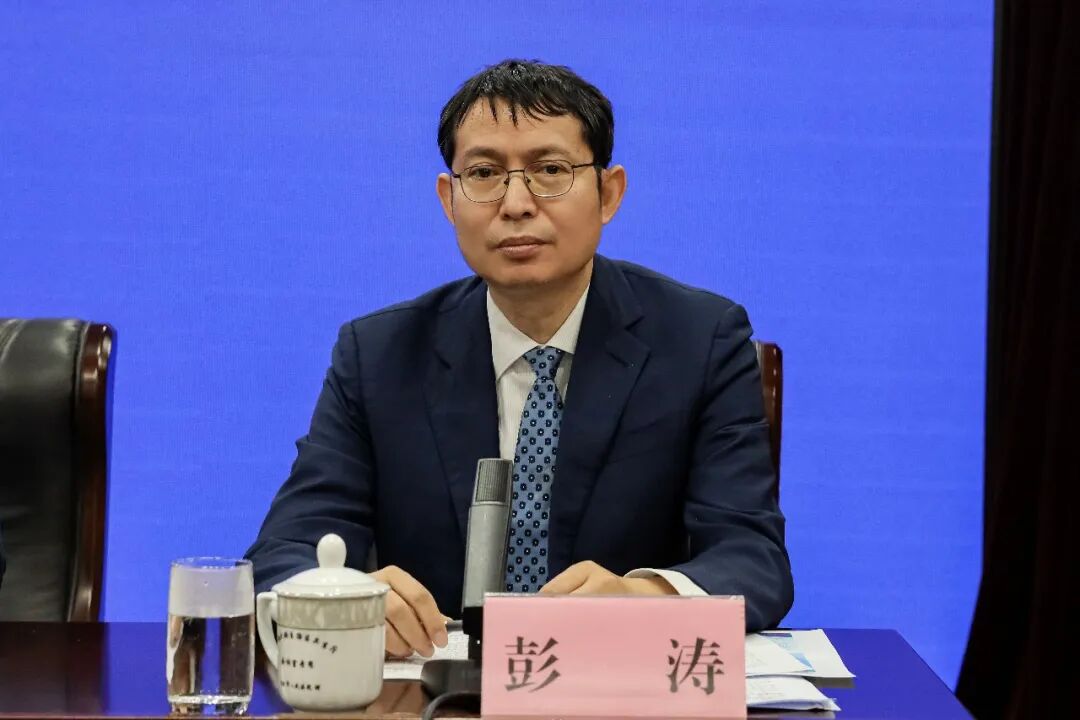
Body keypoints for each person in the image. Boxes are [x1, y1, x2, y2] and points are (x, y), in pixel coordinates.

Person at [246, 59, 793, 658]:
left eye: (549, 170)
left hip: (615, 683)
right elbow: (284, 552)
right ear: (449, 199)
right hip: (435, 689)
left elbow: (752, 558)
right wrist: (344, 597)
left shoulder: (699, 341)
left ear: (609, 193)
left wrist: (644, 597)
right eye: (483, 173)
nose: (515, 203)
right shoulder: (379, 355)